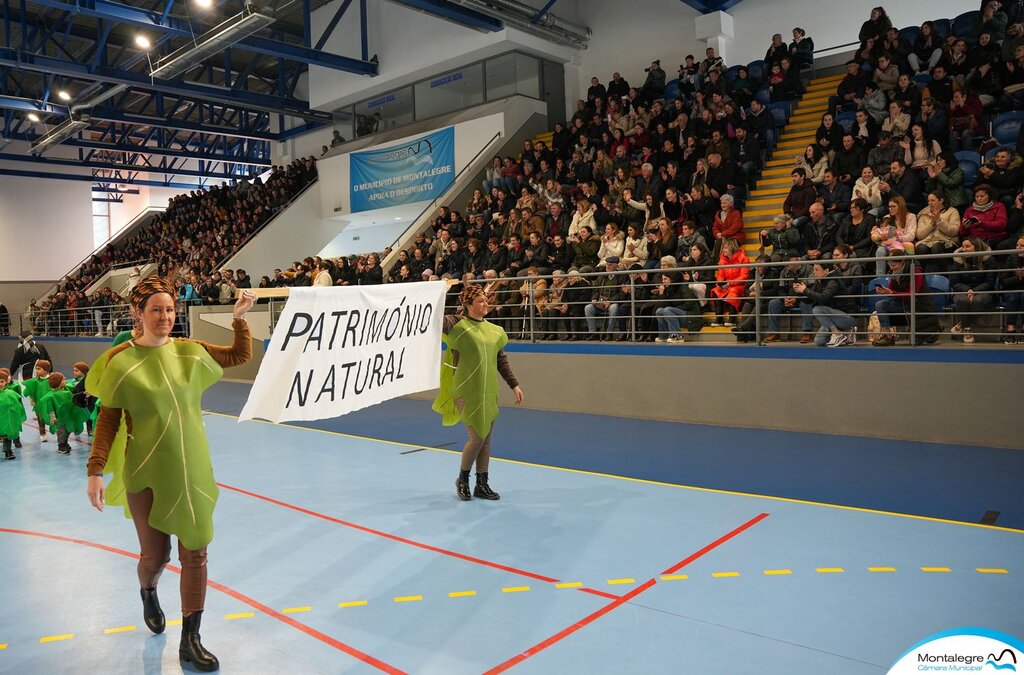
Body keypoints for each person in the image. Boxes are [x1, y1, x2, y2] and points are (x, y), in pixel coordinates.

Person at [85, 277, 256, 672]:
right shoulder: (121, 362)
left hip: (192, 466)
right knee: (156, 555)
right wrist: (95, 471)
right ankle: (148, 589)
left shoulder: (189, 352)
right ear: (138, 314)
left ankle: (190, 639)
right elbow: (108, 420)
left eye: (169, 310)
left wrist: (239, 318)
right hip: (145, 471)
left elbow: (237, 356)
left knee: (196, 550)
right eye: (156, 310)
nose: (164, 317)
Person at [433, 283, 523, 500]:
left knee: (487, 438)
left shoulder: (494, 331)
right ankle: (462, 479)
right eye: (480, 300)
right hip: (465, 390)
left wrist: (514, 384)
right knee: (477, 437)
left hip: (488, 391)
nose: (485, 303)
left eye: (486, 299)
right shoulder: (456, 325)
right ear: (467, 304)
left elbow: (501, 360)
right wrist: (440, 292)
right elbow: (433, 317)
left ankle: (481, 484)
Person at [871, 250, 940, 346]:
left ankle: (932, 331)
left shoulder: (916, 271)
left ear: (902, 262)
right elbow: (892, 291)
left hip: (918, 305)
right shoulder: (894, 273)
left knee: (915, 341)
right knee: (880, 304)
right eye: (889, 265)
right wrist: (885, 291)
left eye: (894, 265)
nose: (891, 268)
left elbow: (913, 294)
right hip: (903, 303)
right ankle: (887, 336)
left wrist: (892, 293)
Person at [795, 262, 860, 346]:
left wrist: (806, 290)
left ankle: (837, 333)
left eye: (816, 269)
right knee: (819, 341)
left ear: (826, 270)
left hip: (847, 316)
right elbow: (810, 300)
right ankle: (846, 332)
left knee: (817, 309)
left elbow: (823, 298)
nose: (813, 272)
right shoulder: (819, 281)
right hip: (833, 316)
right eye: (813, 269)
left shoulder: (833, 281)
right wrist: (800, 292)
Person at [949, 237, 998, 344]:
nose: (964, 249)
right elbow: (954, 282)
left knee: (977, 300)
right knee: (962, 300)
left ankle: (963, 324)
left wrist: (974, 290)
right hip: (962, 290)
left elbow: (990, 283)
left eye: (968, 246)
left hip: (983, 290)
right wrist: (968, 290)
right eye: (962, 247)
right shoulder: (957, 260)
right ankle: (968, 329)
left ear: (977, 248)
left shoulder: (989, 261)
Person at [915, 192, 961, 272]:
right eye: (928, 201)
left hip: (946, 241)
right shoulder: (923, 214)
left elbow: (954, 231)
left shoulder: (952, 211)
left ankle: (945, 274)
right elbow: (919, 235)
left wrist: (939, 221)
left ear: (941, 200)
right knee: (921, 248)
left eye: (932, 200)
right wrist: (932, 223)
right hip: (927, 241)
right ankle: (922, 275)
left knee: (936, 247)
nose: (930, 203)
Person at [0, 368, 26, 459]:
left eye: (2, 381)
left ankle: (8, 451)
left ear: (5, 382)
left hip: (7, 419)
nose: (0, 384)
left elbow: (17, 406)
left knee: (8, 435)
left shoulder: (10, 393)